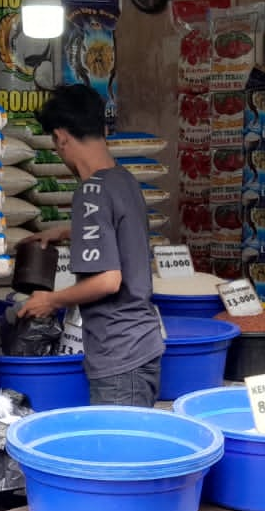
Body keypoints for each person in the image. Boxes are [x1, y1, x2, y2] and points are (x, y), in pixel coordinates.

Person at [16, 85, 165, 407]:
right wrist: (66, 232)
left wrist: (51, 300)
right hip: (143, 346)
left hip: (118, 354)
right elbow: (121, 231)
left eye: (56, 146)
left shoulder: (91, 192)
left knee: (120, 455)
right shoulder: (123, 180)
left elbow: (108, 280)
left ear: (61, 137)